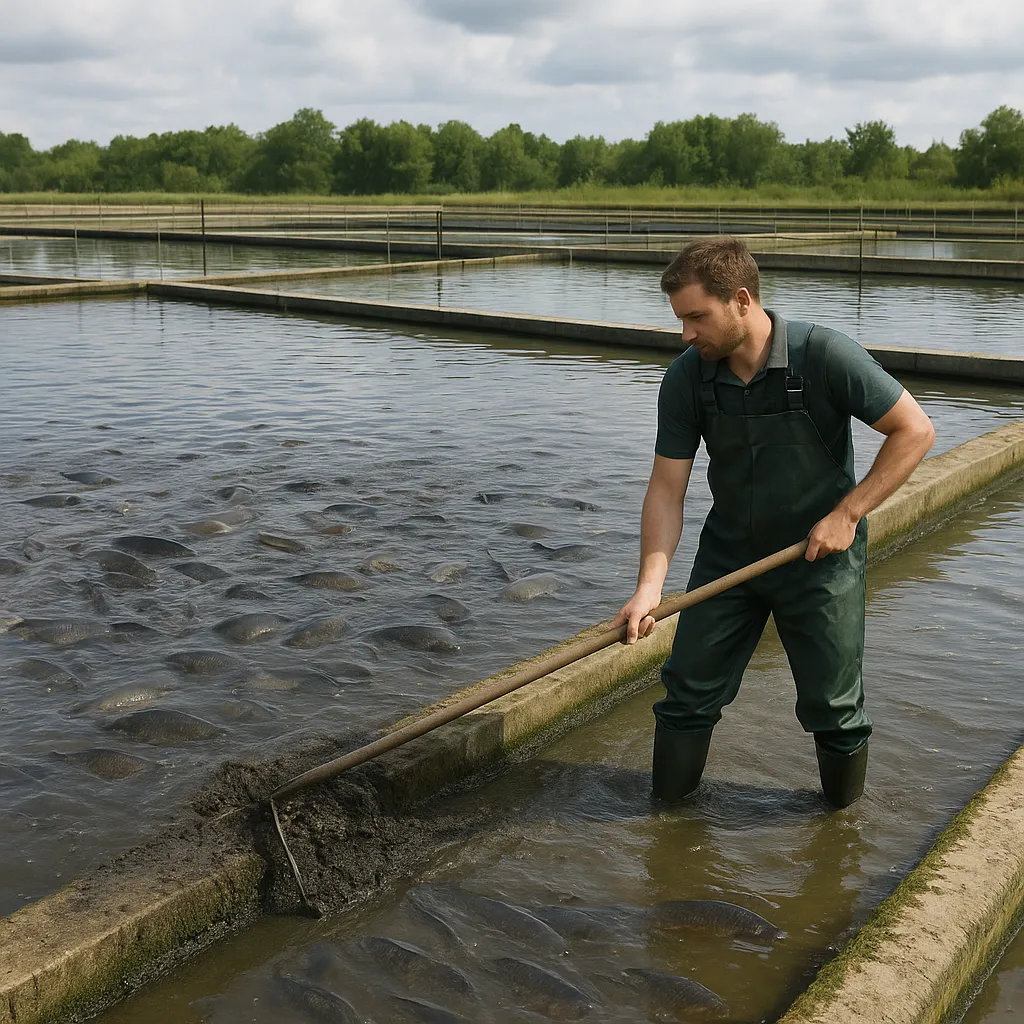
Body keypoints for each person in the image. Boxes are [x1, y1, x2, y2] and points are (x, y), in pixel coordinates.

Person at [613, 237, 935, 809]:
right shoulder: (689, 377)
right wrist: (648, 588)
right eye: (680, 319)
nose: (685, 334)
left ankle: (840, 830)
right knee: (686, 692)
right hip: (729, 556)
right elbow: (667, 488)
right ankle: (661, 825)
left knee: (833, 708)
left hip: (819, 560)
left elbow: (914, 430)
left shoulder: (825, 356)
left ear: (741, 300)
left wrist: (848, 513)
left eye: (696, 317)